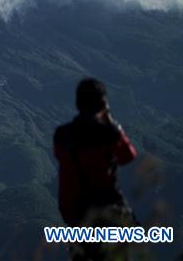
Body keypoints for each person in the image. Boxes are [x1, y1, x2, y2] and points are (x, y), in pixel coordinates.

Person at [54, 78, 138, 259]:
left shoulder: (62, 135)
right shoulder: (108, 135)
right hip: (107, 214)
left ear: (78, 103)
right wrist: (111, 123)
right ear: (102, 104)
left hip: (73, 213)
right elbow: (128, 156)